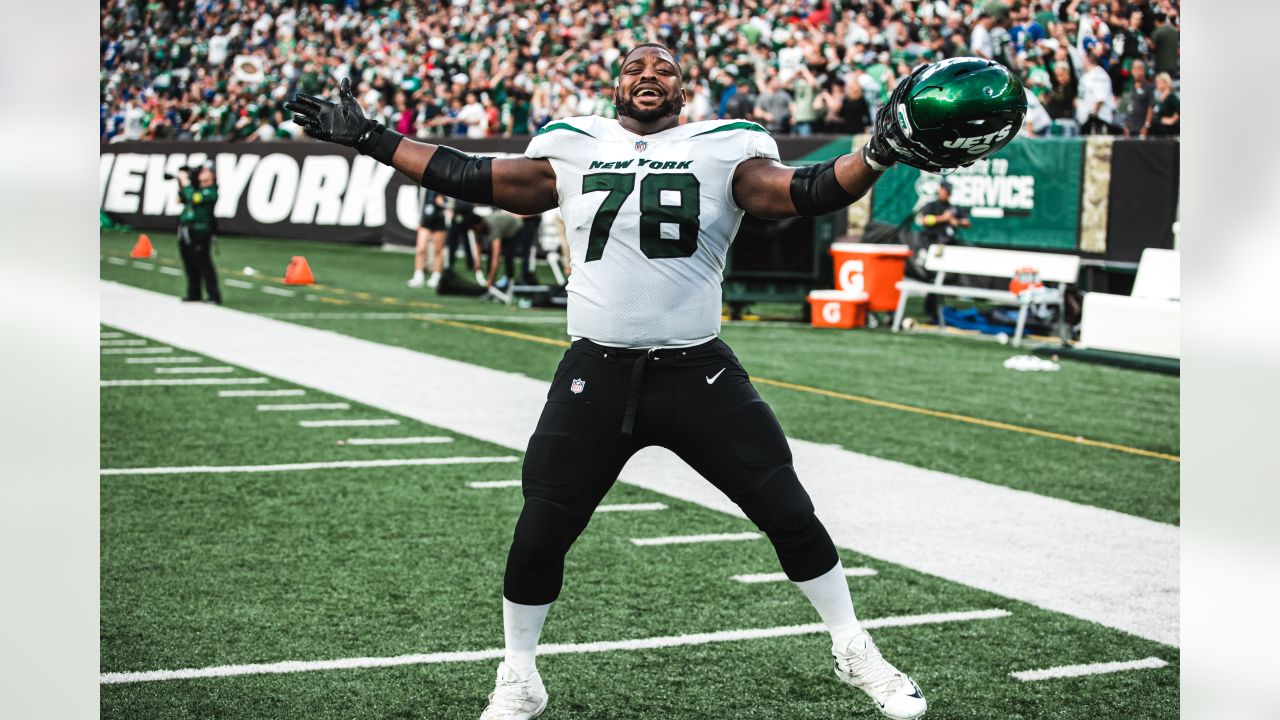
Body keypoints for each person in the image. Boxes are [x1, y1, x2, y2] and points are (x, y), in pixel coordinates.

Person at [286, 46, 1018, 720]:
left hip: (695, 369)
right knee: (540, 529)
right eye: (636, 65)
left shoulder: (726, 144)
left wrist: (877, 155)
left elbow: (806, 190)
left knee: (788, 510)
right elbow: (477, 177)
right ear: (616, 85)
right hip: (596, 370)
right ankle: (519, 676)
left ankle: (856, 651)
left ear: (682, 88)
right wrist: (369, 137)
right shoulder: (573, 142)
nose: (649, 74)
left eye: (664, 68)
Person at [915, 181, 970, 322]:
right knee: (933, 277)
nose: (946, 193)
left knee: (943, 278)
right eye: (945, 190)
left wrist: (954, 221)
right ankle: (931, 307)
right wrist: (943, 218)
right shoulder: (932, 205)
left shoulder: (953, 208)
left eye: (948, 191)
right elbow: (925, 220)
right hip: (932, 244)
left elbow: (967, 222)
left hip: (948, 246)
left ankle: (937, 307)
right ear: (940, 190)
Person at [175, 164, 222, 304]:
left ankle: (214, 295)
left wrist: (185, 183)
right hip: (186, 229)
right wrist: (181, 184)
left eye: (205, 171)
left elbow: (192, 198)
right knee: (189, 262)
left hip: (200, 230)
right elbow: (181, 198)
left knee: (204, 263)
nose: (201, 173)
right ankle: (194, 293)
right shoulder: (196, 189)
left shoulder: (210, 192)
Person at [409, 189, 448, 288]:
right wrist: (418, 220)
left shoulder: (443, 184)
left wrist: (443, 202)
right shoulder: (423, 187)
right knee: (420, 248)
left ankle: (436, 276)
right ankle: (418, 276)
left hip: (439, 218)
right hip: (426, 219)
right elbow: (420, 201)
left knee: (438, 250)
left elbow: (450, 202)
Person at [1120, 59, 1155, 138]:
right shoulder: (1130, 87)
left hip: (1142, 129)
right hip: (1130, 129)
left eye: (1140, 68)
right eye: (1135, 69)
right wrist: (1125, 126)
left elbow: (1151, 108)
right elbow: (1126, 108)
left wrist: (1146, 126)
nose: (1137, 71)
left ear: (1143, 70)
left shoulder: (1149, 87)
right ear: (1132, 71)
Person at [1149, 71, 1179, 136]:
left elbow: (1179, 108)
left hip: (1168, 133)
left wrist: (1172, 120)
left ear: (1165, 82)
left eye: (1158, 82)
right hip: (1158, 131)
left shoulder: (1171, 96)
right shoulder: (1159, 97)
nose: (1157, 84)